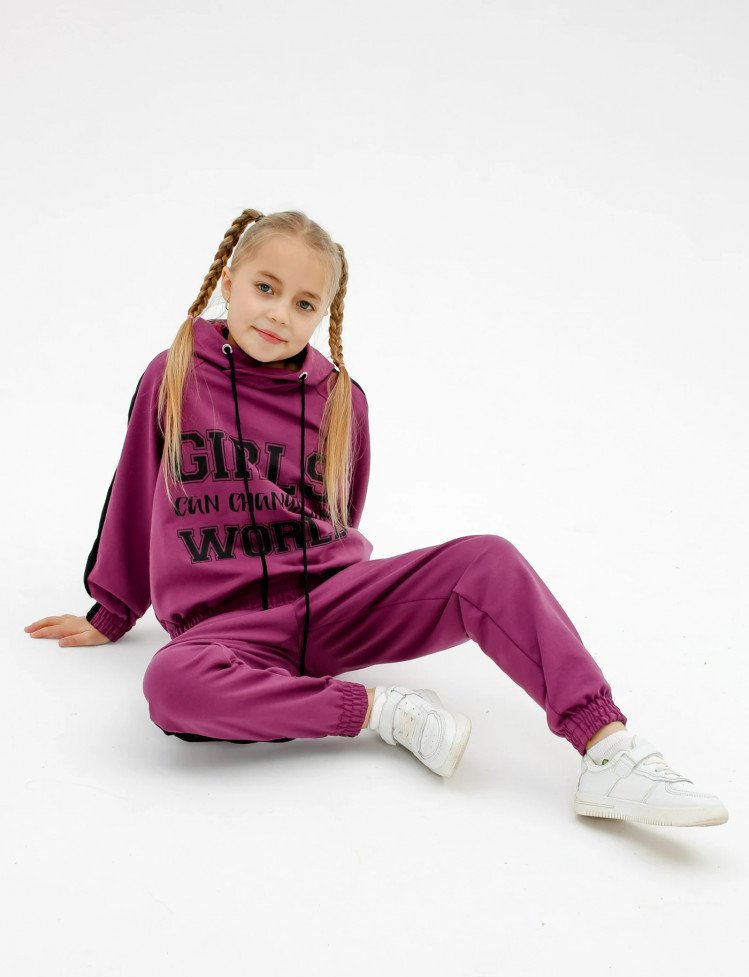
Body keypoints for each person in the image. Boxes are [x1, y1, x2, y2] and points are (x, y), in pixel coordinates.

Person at [26, 207, 728, 828]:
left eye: (303, 303)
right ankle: (384, 712)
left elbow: (341, 513)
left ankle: (607, 749)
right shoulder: (174, 373)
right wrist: (112, 612)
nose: (279, 314)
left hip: (333, 605)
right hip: (226, 630)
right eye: (265, 288)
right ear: (230, 281)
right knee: (170, 684)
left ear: (323, 314)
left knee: (487, 558)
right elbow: (134, 489)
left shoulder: (342, 400)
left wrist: (345, 592)